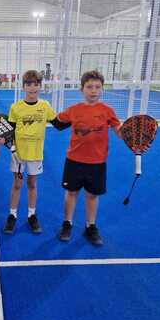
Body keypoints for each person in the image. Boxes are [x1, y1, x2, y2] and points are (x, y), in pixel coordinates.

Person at [53, 70, 122, 246]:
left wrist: (132, 136)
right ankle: (67, 223)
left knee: (92, 196)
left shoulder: (108, 111)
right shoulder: (74, 110)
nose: (93, 90)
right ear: (81, 89)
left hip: (97, 163)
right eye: (89, 87)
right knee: (71, 193)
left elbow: (120, 132)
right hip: (74, 161)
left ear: (102, 89)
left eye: (97, 87)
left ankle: (90, 226)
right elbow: (56, 122)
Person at [0, 70, 56, 234]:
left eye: (36, 84)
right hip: (18, 155)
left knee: (32, 184)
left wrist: (76, 118)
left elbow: (58, 123)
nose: (32, 88)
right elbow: (9, 131)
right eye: (29, 84)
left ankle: (31, 215)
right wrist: (5, 142)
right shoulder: (15, 107)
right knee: (17, 184)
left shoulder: (45, 106)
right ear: (23, 86)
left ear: (40, 86)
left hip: (36, 154)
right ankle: (12, 215)